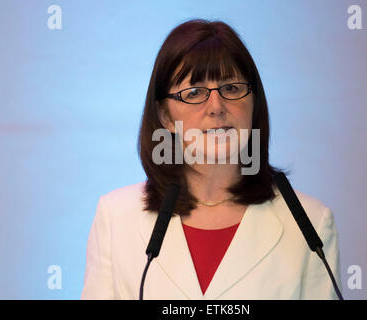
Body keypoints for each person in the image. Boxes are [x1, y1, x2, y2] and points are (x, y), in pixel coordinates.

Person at [81, 18, 342, 300]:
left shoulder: (309, 223)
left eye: (231, 88)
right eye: (194, 93)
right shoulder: (116, 218)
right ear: (166, 116)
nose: (216, 107)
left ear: (254, 103)